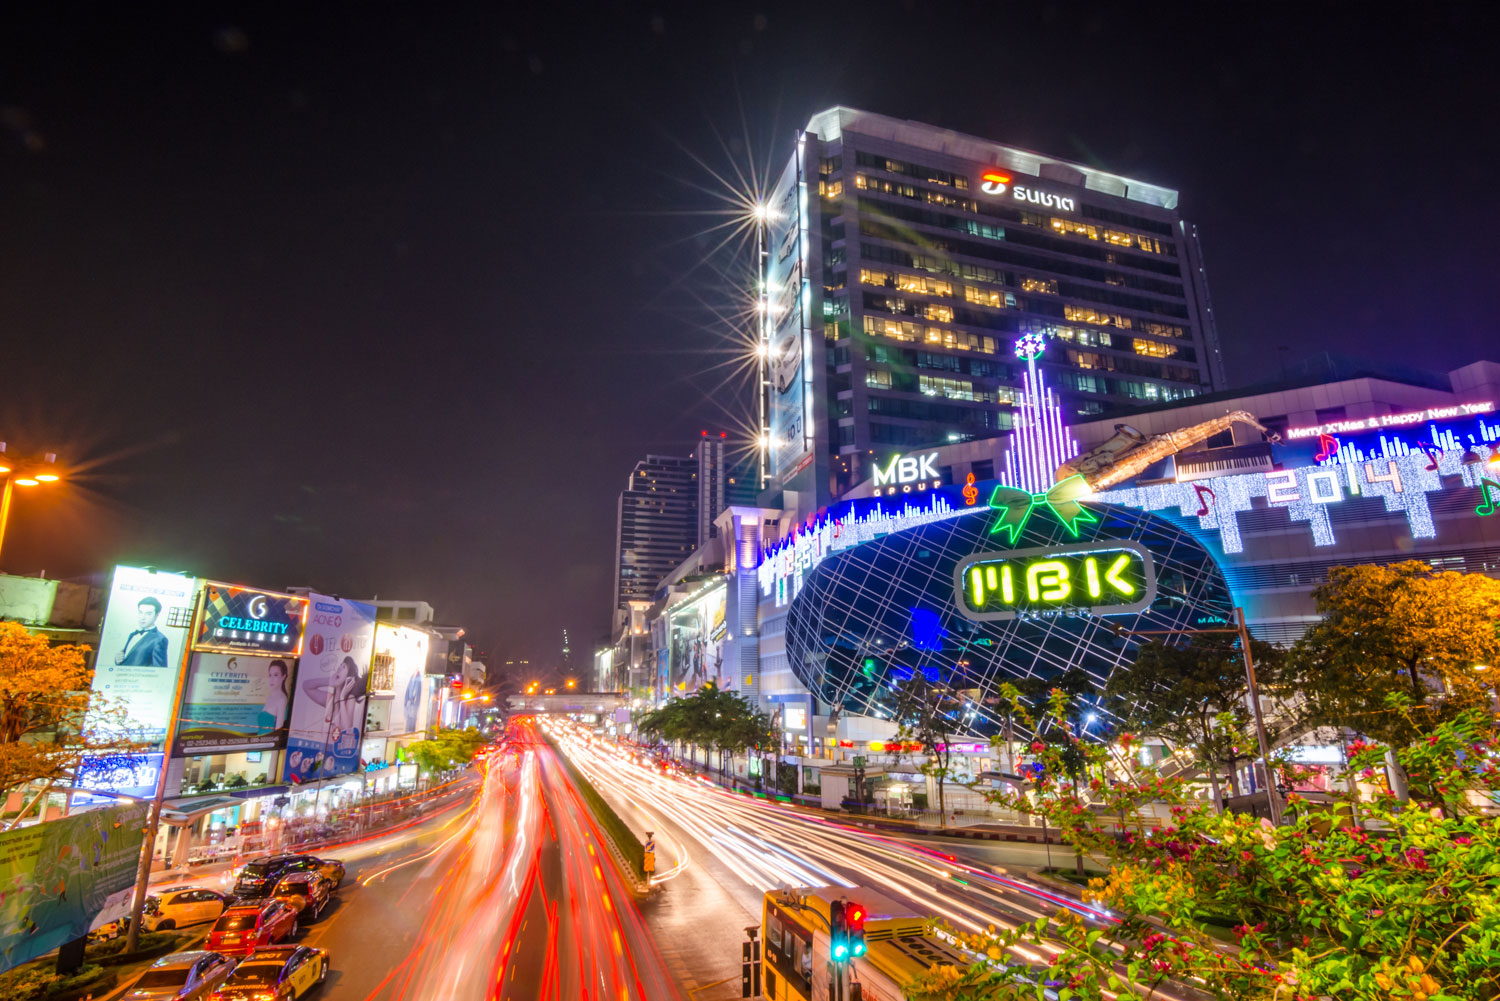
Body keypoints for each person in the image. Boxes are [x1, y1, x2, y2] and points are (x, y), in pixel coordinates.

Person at [116, 597, 169, 666]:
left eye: (148, 614)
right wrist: (118, 660)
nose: (143, 617)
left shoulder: (160, 639)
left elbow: (160, 669)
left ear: (157, 615)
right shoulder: (132, 634)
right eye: (140, 612)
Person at [258, 660, 291, 731]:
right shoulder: (270, 697)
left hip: (269, 740)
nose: (271, 679)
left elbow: (278, 728)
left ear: (283, 676)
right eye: (270, 675)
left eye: (276, 675)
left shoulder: (282, 699)